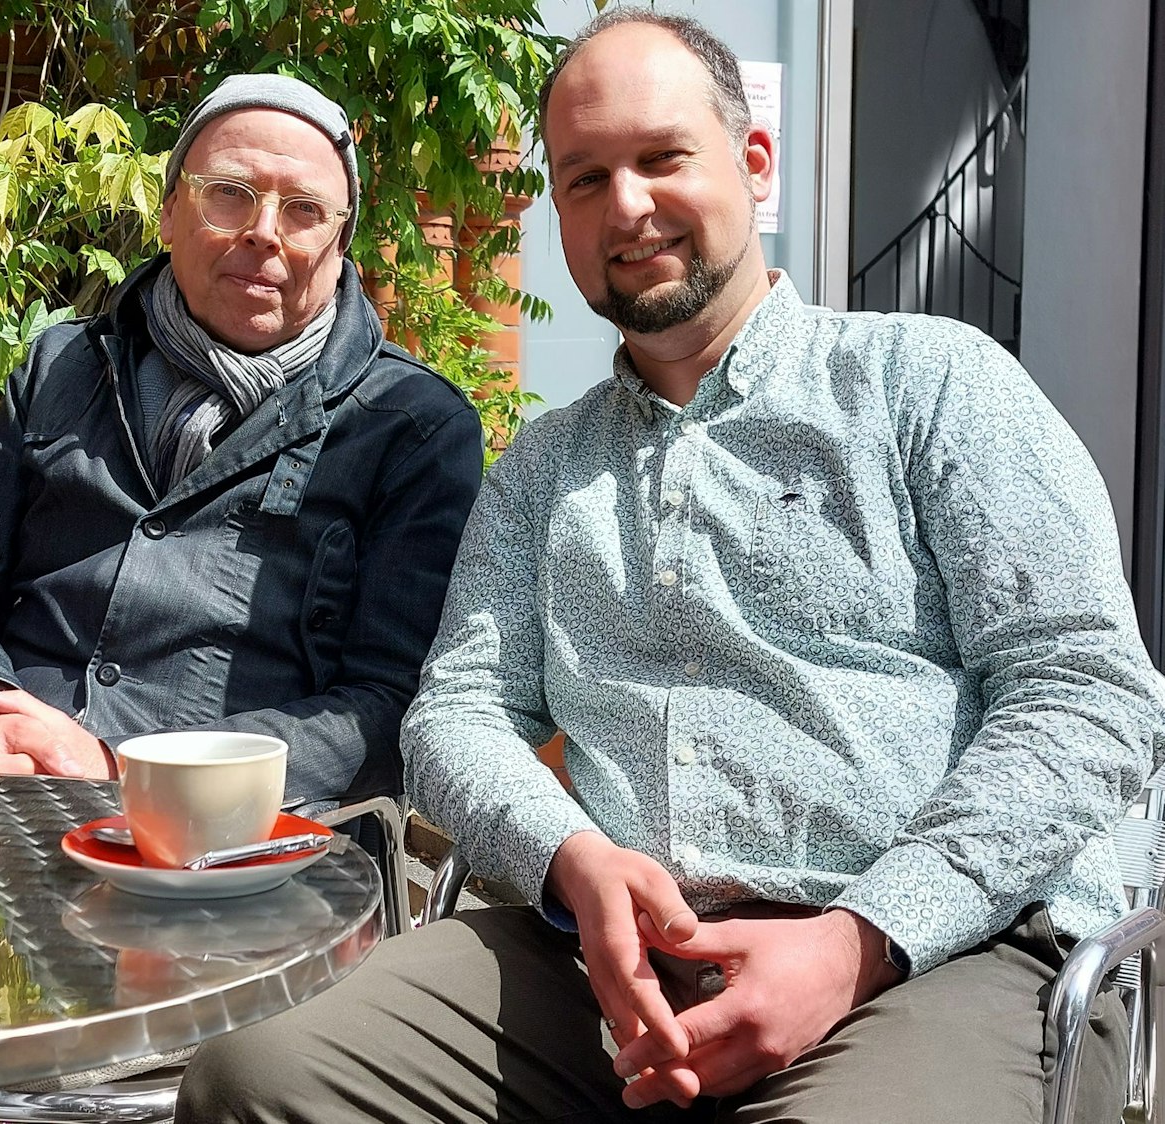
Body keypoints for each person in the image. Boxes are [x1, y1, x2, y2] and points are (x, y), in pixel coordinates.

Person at [174, 10, 1165, 1123]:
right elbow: (453, 711)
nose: (626, 208)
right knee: (253, 1083)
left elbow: (1084, 693)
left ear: (752, 164)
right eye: (584, 178)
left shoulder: (928, 385)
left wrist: (859, 939)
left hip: (934, 954)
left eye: (661, 158)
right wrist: (570, 857)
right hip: (597, 962)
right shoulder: (546, 466)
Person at [0, 73, 486, 812]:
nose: (264, 233)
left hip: (208, 814)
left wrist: (118, 763)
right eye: (229, 196)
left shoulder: (409, 423)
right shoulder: (65, 364)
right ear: (169, 212)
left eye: (303, 210)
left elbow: (389, 708)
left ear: (338, 240)